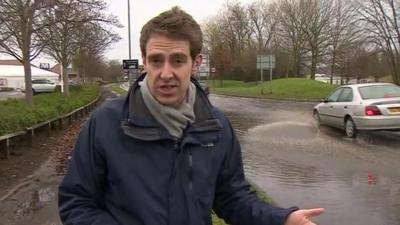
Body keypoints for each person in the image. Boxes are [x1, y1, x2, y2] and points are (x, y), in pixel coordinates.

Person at [58, 6, 324, 225]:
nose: (165, 73)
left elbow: (232, 198)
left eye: (177, 60)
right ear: (144, 60)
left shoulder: (217, 126)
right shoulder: (106, 123)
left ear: (196, 63)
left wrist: (283, 218)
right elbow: (77, 203)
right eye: (156, 60)